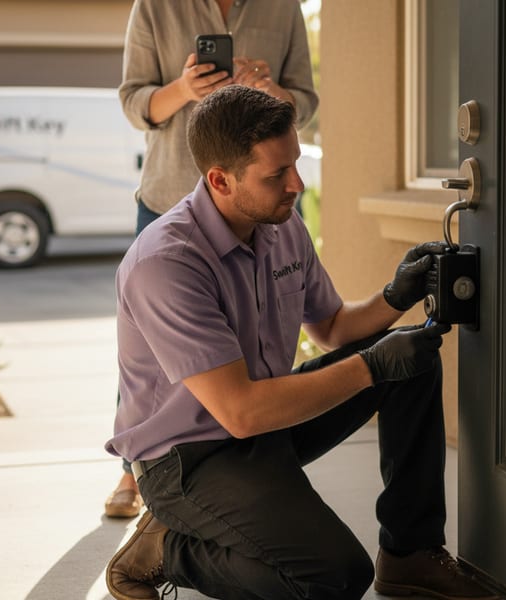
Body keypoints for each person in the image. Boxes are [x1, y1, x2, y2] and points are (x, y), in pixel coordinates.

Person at [104, 85, 498, 600]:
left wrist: (393, 298)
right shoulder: (166, 264)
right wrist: (371, 366)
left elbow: (331, 326)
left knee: (412, 362)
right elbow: (239, 412)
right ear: (220, 179)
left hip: (266, 422)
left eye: (294, 164)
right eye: (276, 175)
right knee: (334, 577)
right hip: (188, 459)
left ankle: (411, 555)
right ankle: (166, 551)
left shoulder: (279, 224)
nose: (296, 184)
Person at [105, 0, 319, 518]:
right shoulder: (155, 7)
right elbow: (135, 104)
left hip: (253, 202)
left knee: (242, 338)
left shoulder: (282, 7)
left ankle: (230, 453)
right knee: (153, 352)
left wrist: (269, 95)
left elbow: (305, 103)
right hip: (168, 199)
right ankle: (138, 473)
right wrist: (186, 89)